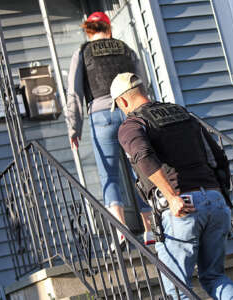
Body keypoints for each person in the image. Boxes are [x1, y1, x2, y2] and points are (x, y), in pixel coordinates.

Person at [110, 72, 233, 300]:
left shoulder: (132, 124)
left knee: (176, 288)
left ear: (122, 101)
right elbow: (218, 156)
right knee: (214, 277)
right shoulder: (183, 114)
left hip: (182, 207)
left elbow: (143, 155)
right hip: (215, 200)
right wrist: (220, 194)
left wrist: (171, 196)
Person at [64, 11, 154, 245]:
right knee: (141, 168)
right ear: (109, 27)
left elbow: (74, 92)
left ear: (89, 30)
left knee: (109, 175)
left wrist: (74, 128)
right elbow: (143, 82)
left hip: (101, 116)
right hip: (130, 111)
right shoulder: (125, 48)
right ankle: (150, 228)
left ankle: (121, 229)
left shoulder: (82, 52)